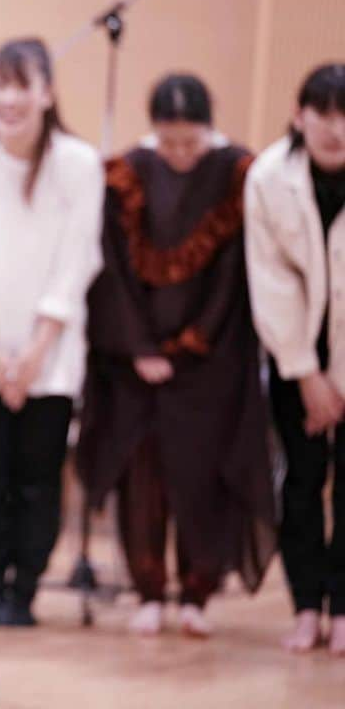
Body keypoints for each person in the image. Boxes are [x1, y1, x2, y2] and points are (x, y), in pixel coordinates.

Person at [76, 73, 276, 637]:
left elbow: (236, 273)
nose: (181, 154)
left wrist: (194, 342)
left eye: (191, 142)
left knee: (203, 476)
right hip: (135, 361)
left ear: (209, 131)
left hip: (212, 360)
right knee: (144, 477)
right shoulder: (128, 172)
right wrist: (139, 347)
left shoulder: (236, 171)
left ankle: (197, 591)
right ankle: (148, 589)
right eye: (170, 143)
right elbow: (111, 268)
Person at [0, 38, 103, 627]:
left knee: (36, 481)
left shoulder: (79, 164)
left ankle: (24, 590)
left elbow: (76, 261)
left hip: (50, 358)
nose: (8, 99)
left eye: (21, 85)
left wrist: (32, 354)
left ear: (46, 92)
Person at [246, 62, 345, 654]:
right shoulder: (267, 176)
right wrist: (308, 374)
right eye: (324, 114)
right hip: (294, 358)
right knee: (302, 483)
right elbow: (270, 280)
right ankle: (306, 605)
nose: (336, 128)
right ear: (299, 115)